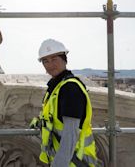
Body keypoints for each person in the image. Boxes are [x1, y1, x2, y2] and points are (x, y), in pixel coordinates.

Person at [30, 39, 99, 167]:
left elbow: (70, 135)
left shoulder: (70, 89)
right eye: (45, 61)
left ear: (64, 59)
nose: (50, 65)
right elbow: (55, 119)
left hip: (74, 162)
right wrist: (40, 122)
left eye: (54, 59)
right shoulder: (57, 87)